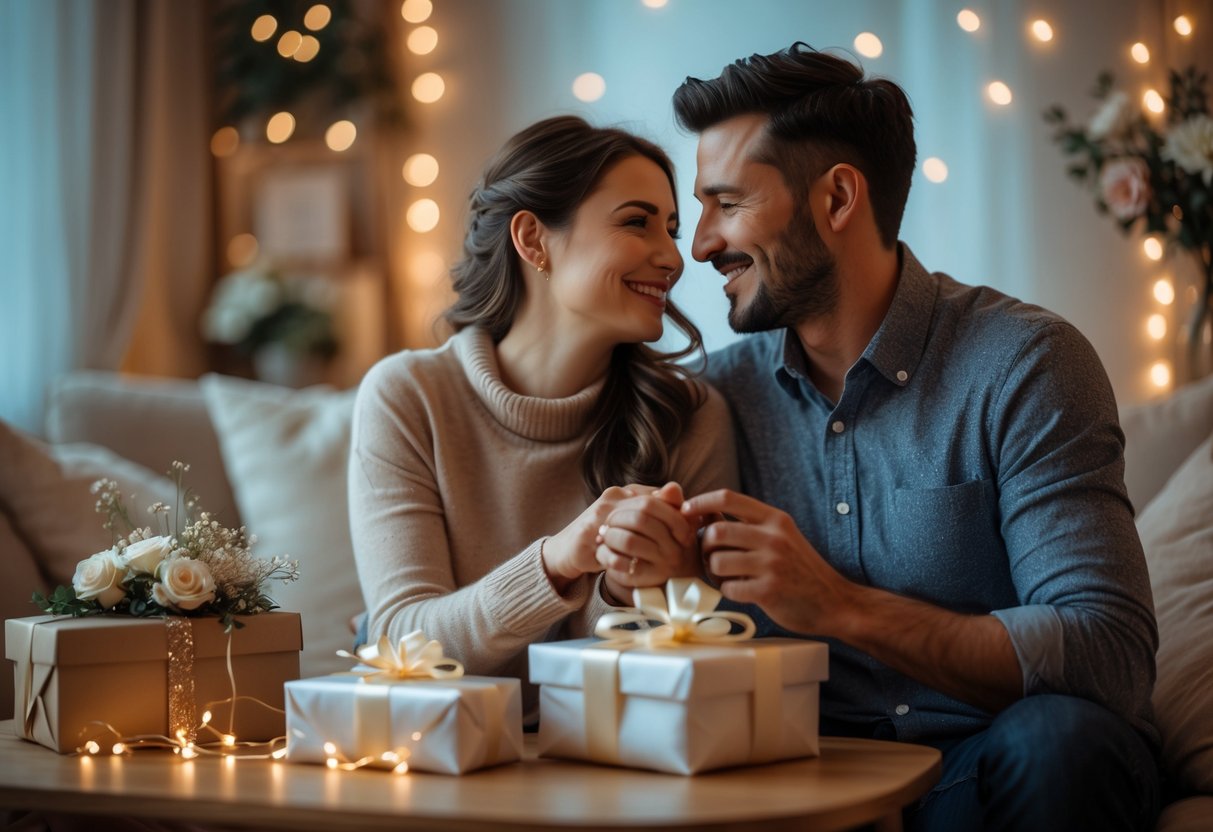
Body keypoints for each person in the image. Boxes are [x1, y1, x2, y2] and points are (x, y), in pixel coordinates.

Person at [669, 44, 1160, 831]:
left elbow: (1107, 652)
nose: (699, 244)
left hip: (990, 770)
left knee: (1061, 741)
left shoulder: (1023, 363)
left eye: (726, 204)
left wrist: (840, 607)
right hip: (806, 782)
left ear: (836, 199)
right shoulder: (713, 398)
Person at [348, 116, 737, 719]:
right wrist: (558, 560)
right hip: (439, 759)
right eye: (637, 222)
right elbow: (402, 640)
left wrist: (629, 589)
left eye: (671, 228)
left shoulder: (688, 415)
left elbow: (685, 679)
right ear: (532, 239)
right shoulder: (409, 397)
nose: (672, 257)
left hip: (614, 758)